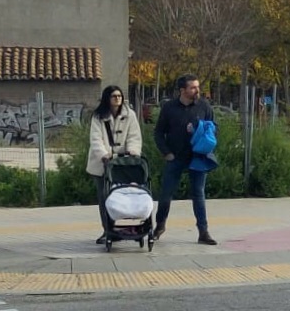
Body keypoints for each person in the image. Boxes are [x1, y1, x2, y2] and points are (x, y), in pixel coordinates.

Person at [152, 74, 216, 245]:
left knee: (198, 194)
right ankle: (159, 226)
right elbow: (158, 132)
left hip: (198, 157)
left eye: (197, 86)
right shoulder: (169, 108)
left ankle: (203, 231)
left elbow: (213, 129)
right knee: (166, 193)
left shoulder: (204, 106)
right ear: (182, 90)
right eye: (193, 87)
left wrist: (198, 131)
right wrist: (166, 152)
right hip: (176, 157)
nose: (197, 90)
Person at [88, 85, 142, 244]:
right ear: (107, 98)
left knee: (122, 196)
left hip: (123, 163)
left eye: (119, 96)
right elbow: (95, 139)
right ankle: (107, 229)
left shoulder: (129, 115)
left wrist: (133, 152)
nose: (117, 98)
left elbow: (134, 135)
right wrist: (104, 155)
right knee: (104, 197)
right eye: (114, 96)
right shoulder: (98, 117)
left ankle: (123, 228)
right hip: (102, 163)